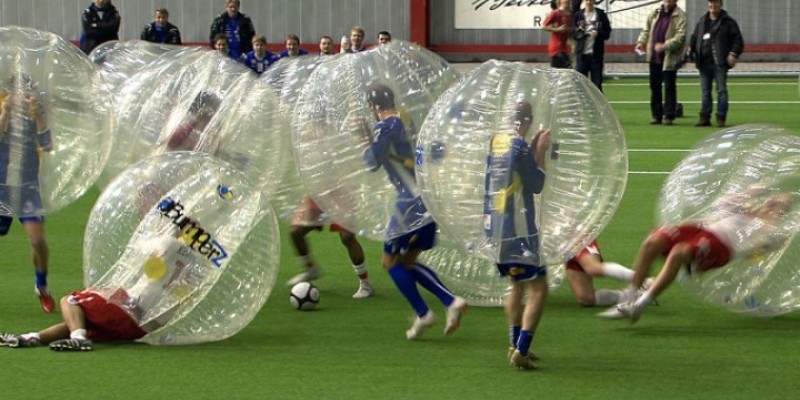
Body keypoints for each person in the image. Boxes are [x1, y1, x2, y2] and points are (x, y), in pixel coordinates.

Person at [361, 84, 466, 340]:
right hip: (427, 198)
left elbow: (372, 162)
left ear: (374, 107)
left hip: (409, 202)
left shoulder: (385, 126)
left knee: (389, 262)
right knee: (408, 262)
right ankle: (450, 301)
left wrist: (364, 139)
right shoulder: (408, 120)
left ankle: (423, 313)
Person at [0, 228, 209, 351]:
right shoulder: (199, 266)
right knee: (81, 319)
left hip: (131, 308)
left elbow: (138, 247)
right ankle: (29, 338)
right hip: (146, 326)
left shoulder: (168, 243)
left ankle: (79, 340)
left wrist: (163, 227)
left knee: (71, 301)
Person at [606, 193, 794, 323]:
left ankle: (640, 304)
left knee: (679, 252)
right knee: (652, 242)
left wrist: (771, 225)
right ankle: (632, 293)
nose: (771, 205)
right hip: (702, 229)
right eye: (772, 201)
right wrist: (755, 193)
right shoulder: (746, 210)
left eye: (779, 206)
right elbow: (724, 202)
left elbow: (757, 249)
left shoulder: (771, 231)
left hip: (722, 246)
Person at [484, 101, 549, 370]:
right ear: (528, 119)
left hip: (497, 224)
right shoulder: (519, 146)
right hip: (520, 227)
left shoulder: (497, 140)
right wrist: (541, 151)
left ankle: (514, 343)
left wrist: (530, 149)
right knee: (539, 288)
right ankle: (521, 350)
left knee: (516, 286)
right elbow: (535, 184)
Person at [0, 77, 55, 313]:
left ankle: (41, 285)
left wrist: (40, 116)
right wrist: (5, 111)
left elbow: (48, 146)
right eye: (19, 91)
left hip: (27, 188)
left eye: (27, 91)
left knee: (38, 241)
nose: (23, 96)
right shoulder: (3, 110)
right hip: (1, 187)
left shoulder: (35, 114)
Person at [285, 197, 374, 299]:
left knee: (347, 237)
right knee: (295, 231)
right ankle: (311, 269)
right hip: (318, 195)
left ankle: (365, 284)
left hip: (343, 195)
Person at [687, 0, 744, 128]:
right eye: (711, 3)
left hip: (720, 62)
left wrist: (733, 53)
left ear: (721, 4)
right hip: (704, 62)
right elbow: (694, 38)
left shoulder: (729, 22)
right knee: (705, 91)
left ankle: (721, 117)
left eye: (716, 3)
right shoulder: (702, 22)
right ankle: (704, 117)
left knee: (721, 91)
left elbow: (738, 40)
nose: (713, 6)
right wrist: (690, 49)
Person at [635, 0, 687, 126]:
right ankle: (656, 115)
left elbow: (681, 36)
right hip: (654, 57)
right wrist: (641, 42)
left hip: (670, 57)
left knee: (669, 87)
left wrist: (665, 46)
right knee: (655, 87)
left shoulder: (680, 15)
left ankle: (669, 115)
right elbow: (646, 30)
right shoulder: (655, 13)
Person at [564, 241, 651, 307]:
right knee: (586, 298)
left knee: (592, 268)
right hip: (559, 243)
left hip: (573, 233)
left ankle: (645, 281)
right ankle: (628, 296)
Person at [572, 0, 612, 92]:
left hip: (596, 55)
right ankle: (582, 105)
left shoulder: (600, 14)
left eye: (591, 0)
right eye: (587, 0)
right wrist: (581, 34)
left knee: (597, 85)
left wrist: (598, 33)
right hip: (582, 55)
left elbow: (607, 33)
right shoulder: (578, 15)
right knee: (581, 84)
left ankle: (598, 105)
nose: (589, 2)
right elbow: (573, 34)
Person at [542, 0, 573, 69]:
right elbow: (543, 26)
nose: (567, 2)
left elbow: (571, 29)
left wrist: (568, 29)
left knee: (560, 72)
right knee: (567, 68)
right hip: (556, 48)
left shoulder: (570, 15)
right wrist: (557, 30)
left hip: (564, 47)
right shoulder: (556, 13)